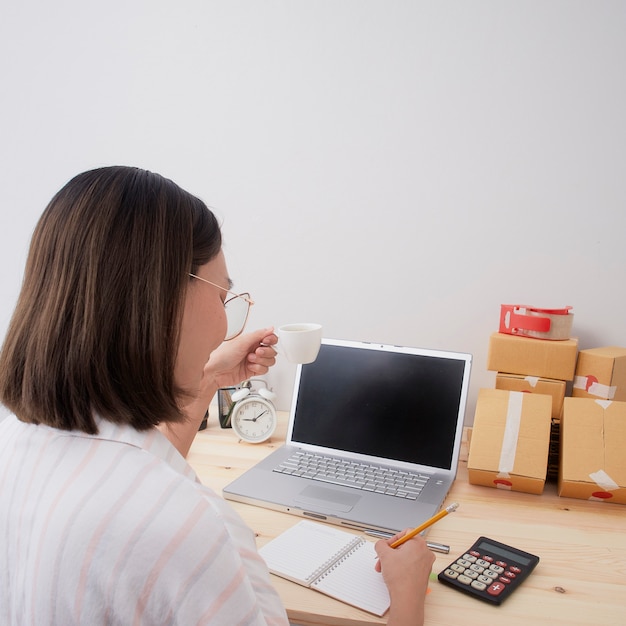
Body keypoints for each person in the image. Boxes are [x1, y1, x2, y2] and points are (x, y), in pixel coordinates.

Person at [0, 166, 434, 625]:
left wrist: (205, 380)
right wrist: (407, 596)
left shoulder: (15, 443)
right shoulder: (187, 531)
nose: (228, 320)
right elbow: (162, 504)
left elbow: (148, 470)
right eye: (224, 295)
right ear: (161, 297)